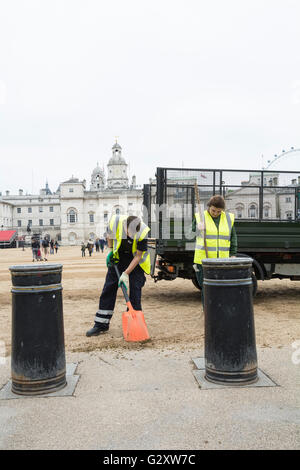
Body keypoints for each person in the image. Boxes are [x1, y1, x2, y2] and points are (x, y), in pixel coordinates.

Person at [86, 214, 151, 336]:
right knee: (108, 289)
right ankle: (101, 324)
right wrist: (111, 250)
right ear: (124, 226)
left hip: (136, 263)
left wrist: (126, 273)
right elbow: (109, 236)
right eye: (129, 233)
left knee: (135, 290)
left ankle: (134, 326)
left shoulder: (143, 231)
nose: (131, 236)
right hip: (118, 259)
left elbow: (138, 256)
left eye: (133, 234)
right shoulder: (115, 222)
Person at [193, 195, 237, 304]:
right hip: (203, 261)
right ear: (209, 206)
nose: (216, 213)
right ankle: (208, 314)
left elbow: (233, 237)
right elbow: (189, 234)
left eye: (219, 211)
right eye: (213, 210)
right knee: (206, 288)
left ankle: (219, 311)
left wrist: (233, 254)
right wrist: (198, 229)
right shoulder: (200, 217)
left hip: (222, 261)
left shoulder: (227, 218)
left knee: (221, 287)